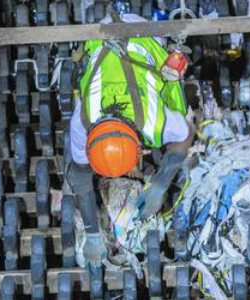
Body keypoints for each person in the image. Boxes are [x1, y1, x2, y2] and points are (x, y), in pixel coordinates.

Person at [66, 13, 195, 269]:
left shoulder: (153, 121)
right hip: (101, 33)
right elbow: (80, 178)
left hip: (147, 33)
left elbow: (186, 134)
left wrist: (159, 185)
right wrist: (92, 233)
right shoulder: (81, 121)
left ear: (140, 147)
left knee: (177, 94)